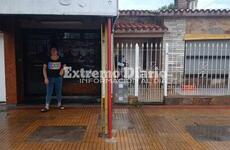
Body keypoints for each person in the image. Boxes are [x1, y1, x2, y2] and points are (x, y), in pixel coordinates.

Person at [41, 47, 66, 112]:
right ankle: (47, 106)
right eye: (52, 51)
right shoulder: (47, 59)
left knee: (58, 91)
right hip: (50, 78)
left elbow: (65, 65)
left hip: (58, 78)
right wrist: (45, 78)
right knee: (49, 92)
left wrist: (62, 69)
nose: (53, 52)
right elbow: (44, 69)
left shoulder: (61, 59)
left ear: (57, 51)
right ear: (51, 52)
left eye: (55, 51)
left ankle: (59, 104)